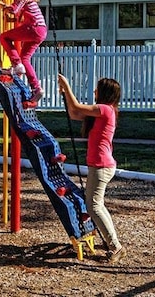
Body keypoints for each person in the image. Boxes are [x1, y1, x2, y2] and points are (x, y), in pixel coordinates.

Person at [57, 74, 126, 264]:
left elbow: (78, 107)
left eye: (97, 89)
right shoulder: (102, 112)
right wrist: (65, 94)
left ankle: (115, 246)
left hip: (101, 165)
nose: (94, 91)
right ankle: (112, 241)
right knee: (97, 205)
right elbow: (74, 113)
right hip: (100, 165)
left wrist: (67, 85)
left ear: (104, 93)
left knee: (93, 206)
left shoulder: (105, 109)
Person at [0, 0, 48, 107]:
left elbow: (13, 10)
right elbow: (18, 16)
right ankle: (37, 88)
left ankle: (16, 65)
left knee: (4, 37)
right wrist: (7, 11)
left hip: (34, 28)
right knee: (25, 58)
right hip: (41, 30)